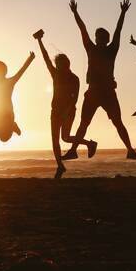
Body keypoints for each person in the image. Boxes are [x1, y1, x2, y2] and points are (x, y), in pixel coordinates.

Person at [67, 0, 136, 159]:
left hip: (108, 93)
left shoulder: (112, 50)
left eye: (102, 37)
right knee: (84, 124)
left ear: (106, 40)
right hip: (93, 92)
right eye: (97, 37)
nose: (99, 39)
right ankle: (73, 151)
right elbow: (82, 29)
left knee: (118, 123)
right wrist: (75, 13)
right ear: (95, 39)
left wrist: (122, 13)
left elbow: (118, 31)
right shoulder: (91, 49)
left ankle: (130, 150)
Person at [34, 29, 97, 178]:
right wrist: (39, 41)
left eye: (64, 63)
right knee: (57, 140)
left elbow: (74, 98)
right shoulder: (55, 74)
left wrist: (66, 111)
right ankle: (60, 166)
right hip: (55, 111)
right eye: (59, 64)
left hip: (69, 111)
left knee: (65, 137)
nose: (62, 66)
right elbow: (45, 58)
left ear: (68, 63)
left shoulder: (74, 78)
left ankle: (89, 144)